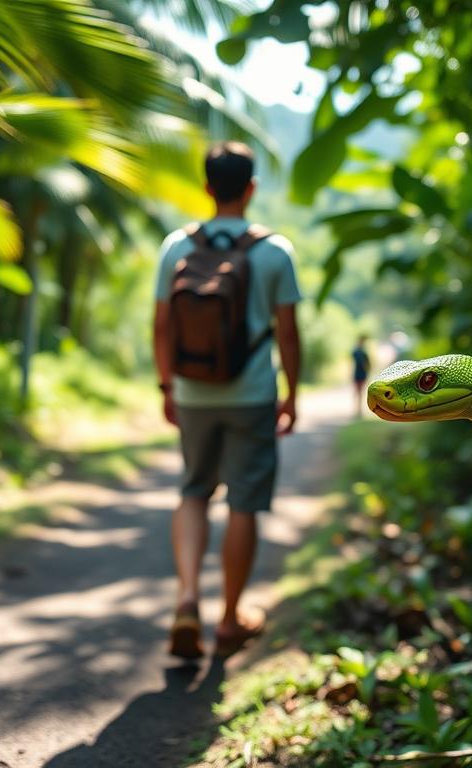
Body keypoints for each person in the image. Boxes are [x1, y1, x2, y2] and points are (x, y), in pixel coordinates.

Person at [152, 141, 302, 659]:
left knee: (194, 490)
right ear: (252, 188)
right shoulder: (274, 251)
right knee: (243, 502)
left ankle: (188, 597)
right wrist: (292, 394)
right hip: (252, 393)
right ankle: (231, 620)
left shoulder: (177, 246)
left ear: (207, 187)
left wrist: (166, 386)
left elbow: (161, 325)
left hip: (192, 392)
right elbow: (288, 333)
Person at [352, 335, 371, 417]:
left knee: (360, 392)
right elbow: (366, 363)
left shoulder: (360, 352)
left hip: (361, 374)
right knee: (358, 392)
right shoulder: (359, 352)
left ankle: (359, 410)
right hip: (359, 373)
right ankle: (358, 410)